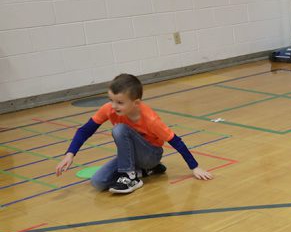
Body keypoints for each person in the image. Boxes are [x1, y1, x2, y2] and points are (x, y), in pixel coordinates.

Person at [54, 73, 213, 193]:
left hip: (151, 155)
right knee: (98, 182)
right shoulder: (109, 109)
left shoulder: (150, 119)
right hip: (130, 156)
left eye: (120, 102)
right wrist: (70, 154)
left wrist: (195, 167)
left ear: (136, 103)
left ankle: (131, 178)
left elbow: (176, 141)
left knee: (119, 129)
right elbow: (85, 130)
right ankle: (146, 171)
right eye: (111, 100)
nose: (114, 106)